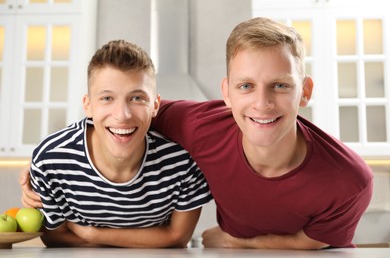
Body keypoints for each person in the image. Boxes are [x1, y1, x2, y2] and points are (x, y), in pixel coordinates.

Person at [21, 17, 373, 249]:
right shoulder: (197, 126)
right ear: (227, 92)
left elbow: (311, 244)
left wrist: (237, 242)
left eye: (280, 85)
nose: (262, 103)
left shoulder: (349, 180)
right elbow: (126, 118)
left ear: (306, 91)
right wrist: (41, 165)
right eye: (246, 85)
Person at [23, 40, 212, 248]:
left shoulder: (183, 162)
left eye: (137, 98)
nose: (122, 115)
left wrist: (95, 235)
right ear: (88, 105)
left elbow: (177, 238)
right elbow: (54, 237)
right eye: (106, 98)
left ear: (155, 105)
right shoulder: (51, 161)